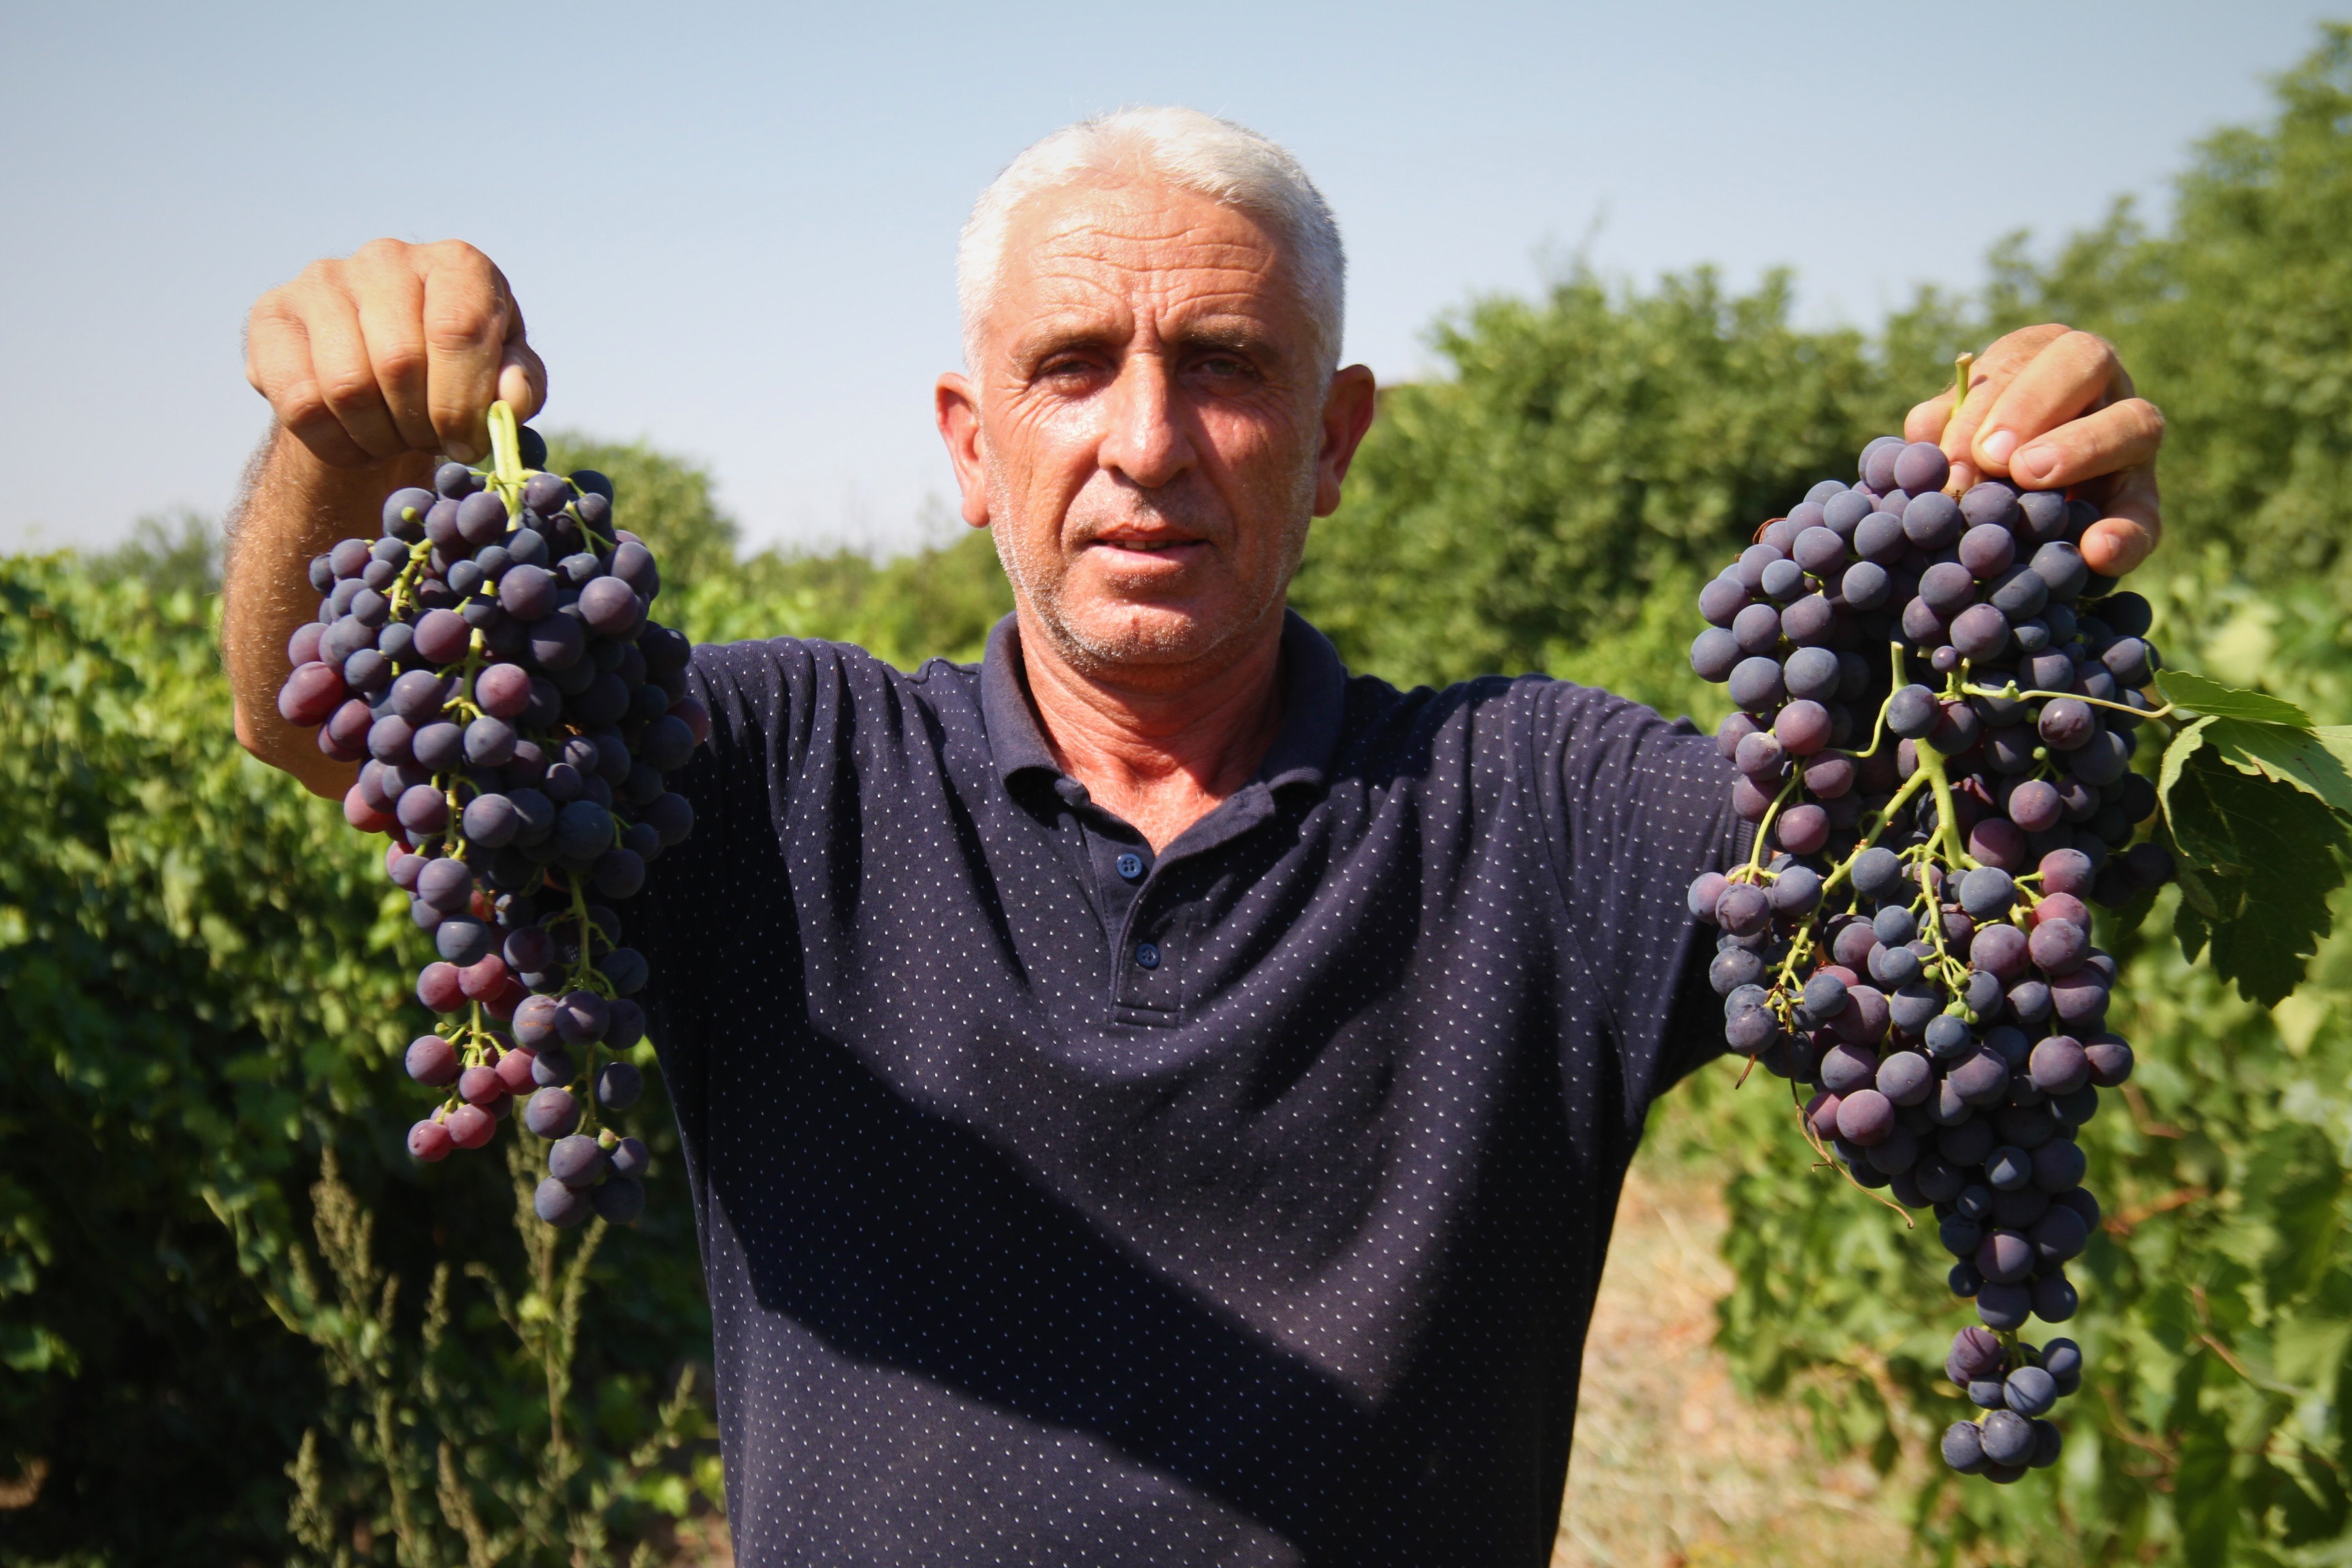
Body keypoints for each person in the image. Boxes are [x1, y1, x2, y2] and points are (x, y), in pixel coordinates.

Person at [222, 108, 2164, 1567]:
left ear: (1334, 445)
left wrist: (2023, 583)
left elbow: (1934, 895)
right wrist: (340, 452)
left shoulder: (1536, 812)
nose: (1146, 441)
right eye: (1072, 369)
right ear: (973, 444)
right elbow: (337, 731)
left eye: (1227, 370)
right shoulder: (775, 775)